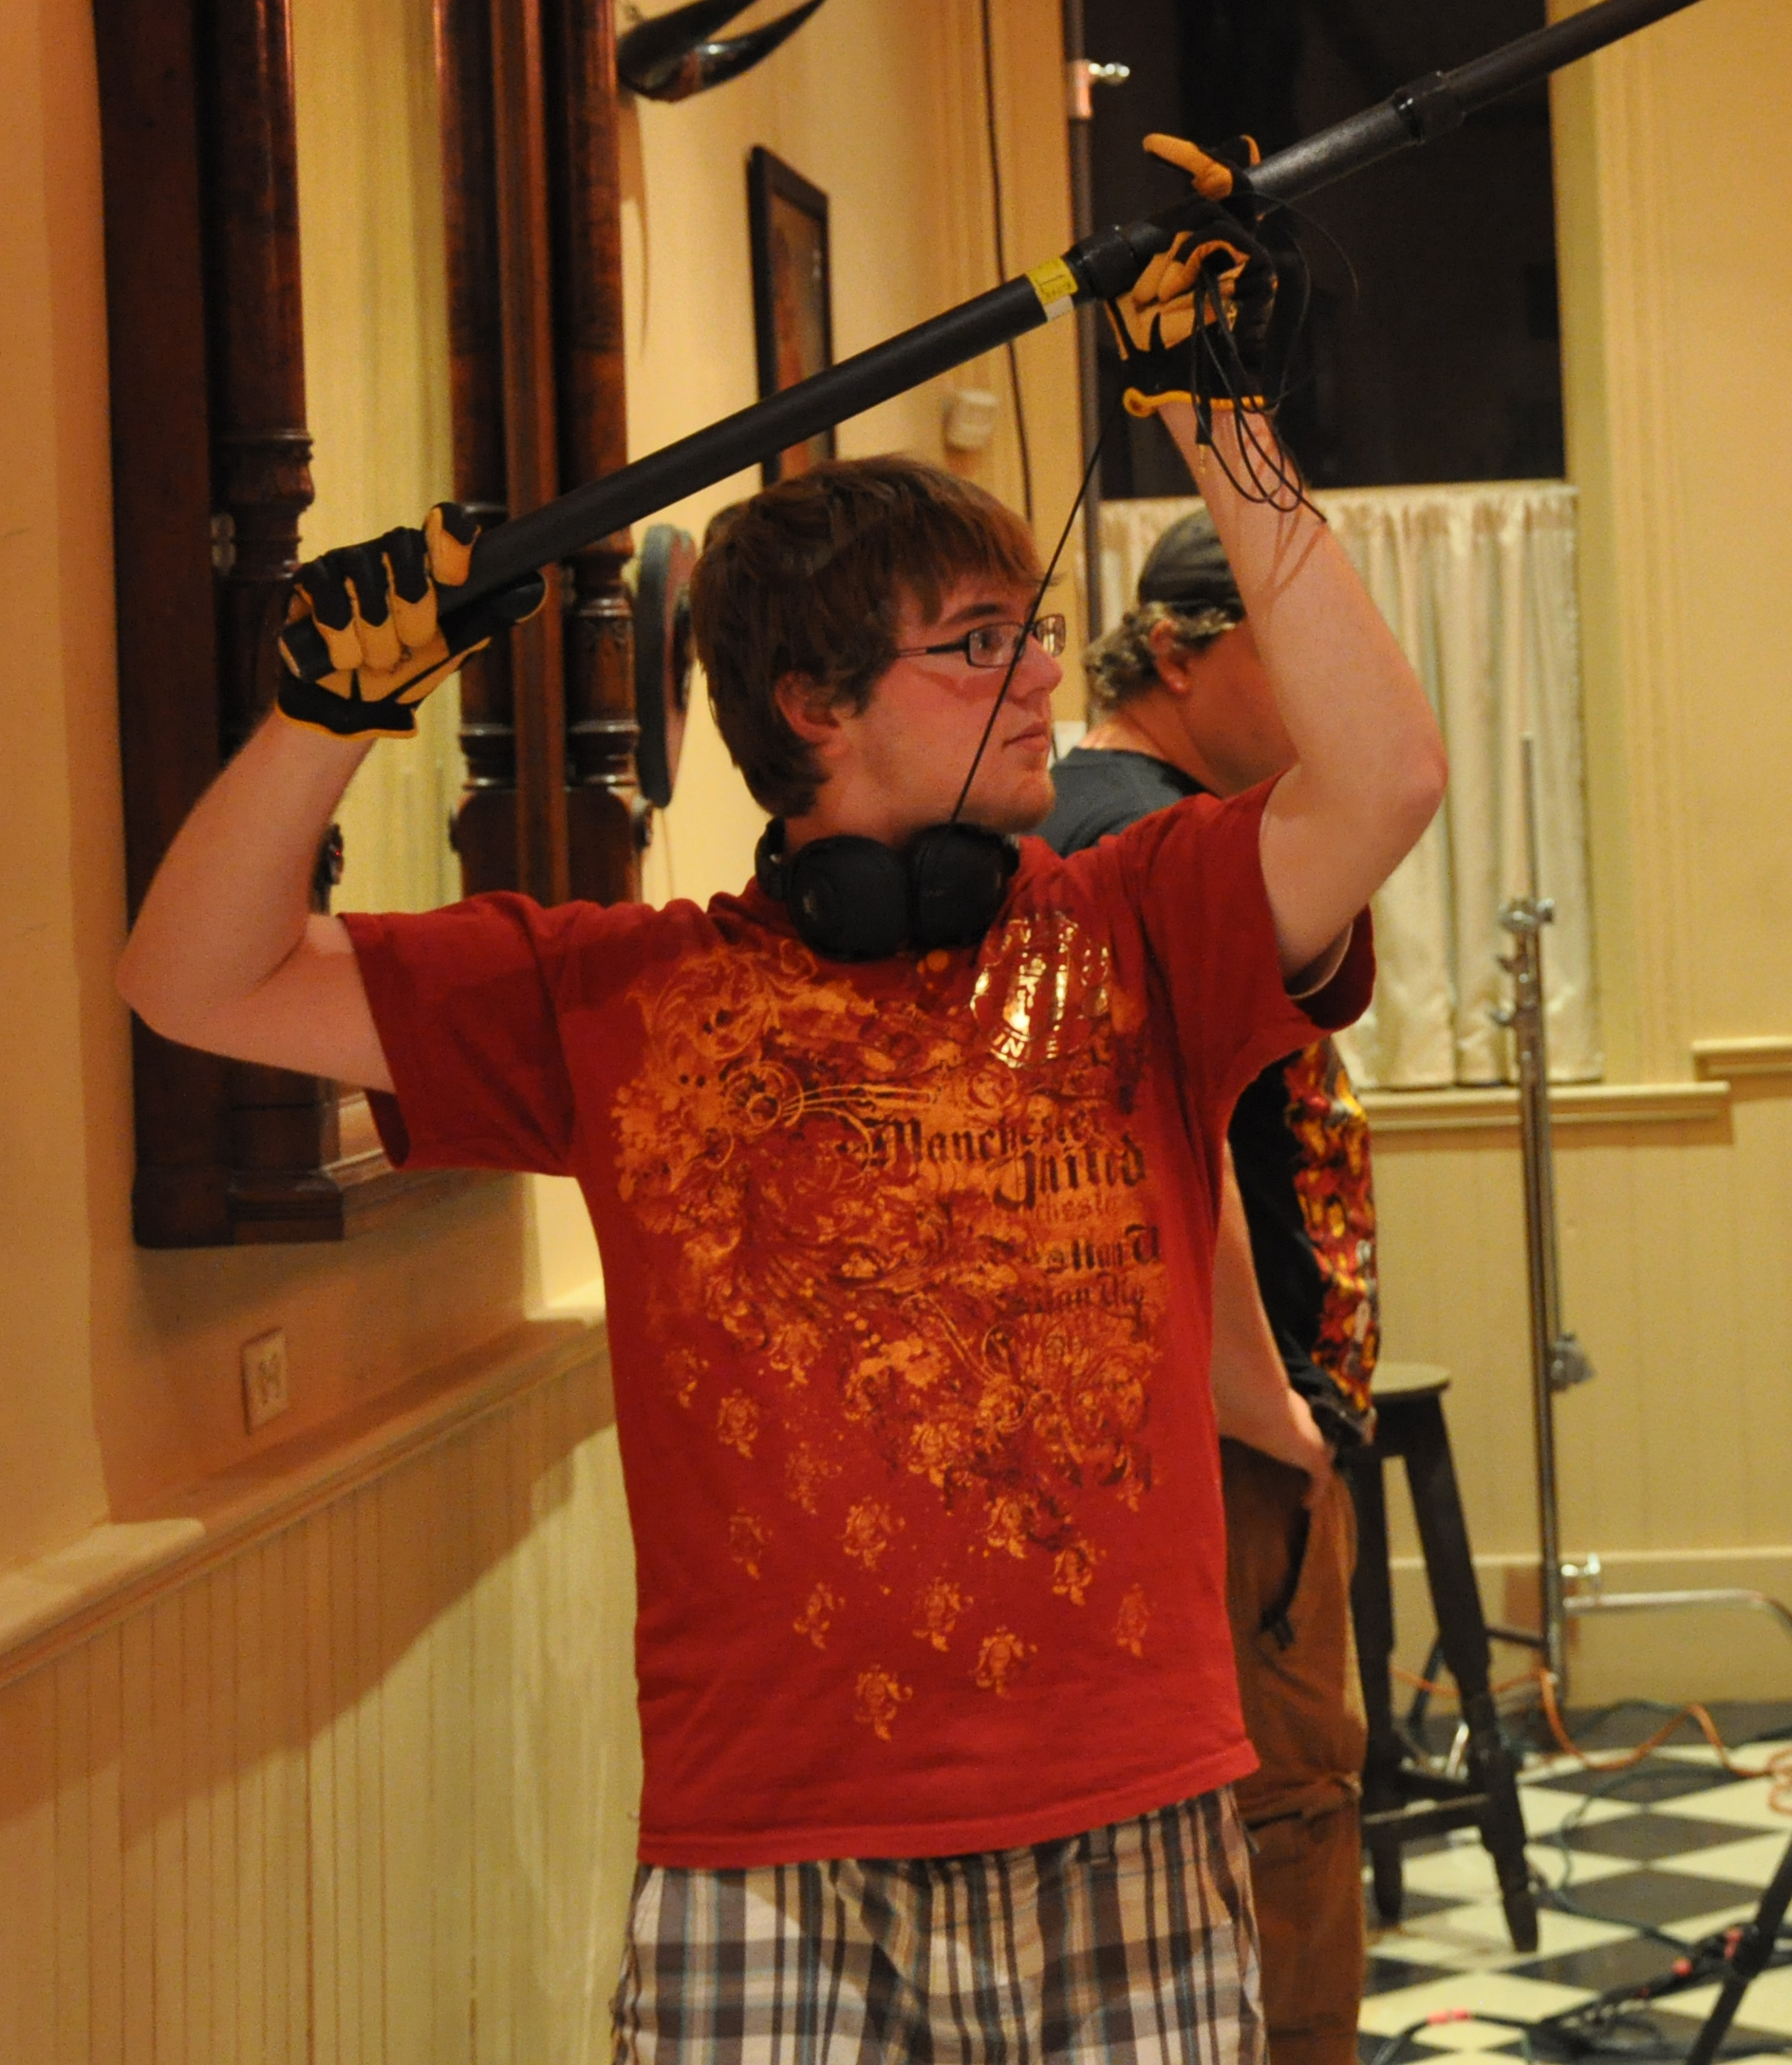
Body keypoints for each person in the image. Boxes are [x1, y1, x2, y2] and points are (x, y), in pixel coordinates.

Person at [119, 139, 1445, 2064]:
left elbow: (1385, 778)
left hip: (1129, 1814)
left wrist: (1214, 415)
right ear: (816, 706)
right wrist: (322, 723)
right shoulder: (618, 998)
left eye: (1027, 626)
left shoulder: (1140, 928)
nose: (1038, 671)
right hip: (766, 1854)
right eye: (975, 643)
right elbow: (192, 976)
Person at [1042, 508, 1382, 2065]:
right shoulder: (1133, 834)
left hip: (1204, 1435)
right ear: (1175, 653)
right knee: (1288, 1838)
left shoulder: (1137, 815)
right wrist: (1273, 1413)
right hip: (1220, 1448)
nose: (1322, 691)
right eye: (1284, 651)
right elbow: (1154, 1149)